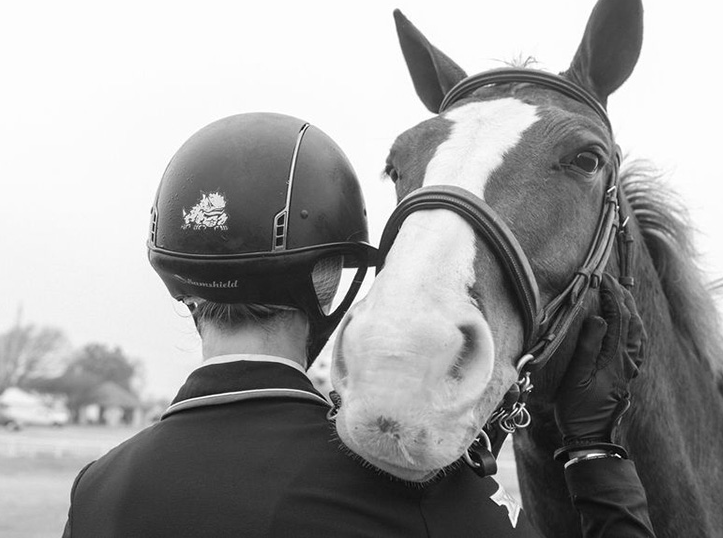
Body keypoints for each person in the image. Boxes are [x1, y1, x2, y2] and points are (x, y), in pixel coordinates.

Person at [61, 112, 654, 537]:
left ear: (177, 278)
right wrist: (593, 450)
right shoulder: (412, 499)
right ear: (328, 280)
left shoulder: (98, 489)